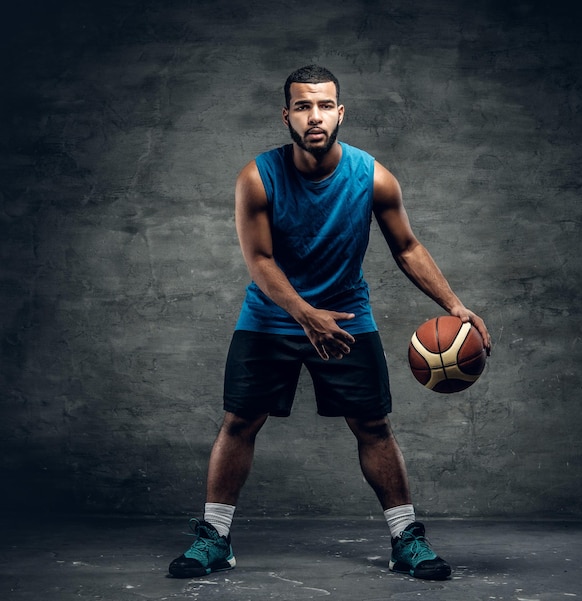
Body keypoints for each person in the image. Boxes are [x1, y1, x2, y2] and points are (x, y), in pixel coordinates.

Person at [168, 65, 491, 582]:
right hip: (271, 317)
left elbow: (406, 247)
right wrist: (304, 314)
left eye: (323, 106)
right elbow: (260, 261)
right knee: (239, 422)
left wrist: (453, 303)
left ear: (339, 112)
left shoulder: (374, 177)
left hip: (346, 317)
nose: (313, 116)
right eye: (302, 106)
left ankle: (406, 539)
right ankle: (215, 538)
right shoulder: (257, 177)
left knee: (373, 426)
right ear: (287, 116)